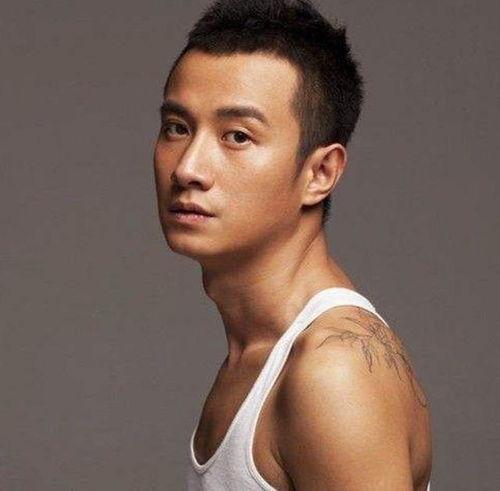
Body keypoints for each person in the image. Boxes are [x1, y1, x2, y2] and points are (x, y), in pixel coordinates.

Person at [153, 0, 433, 489]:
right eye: (178, 128)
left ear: (320, 173)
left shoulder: (333, 371)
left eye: (237, 136)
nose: (187, 168)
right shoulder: (257, 354)